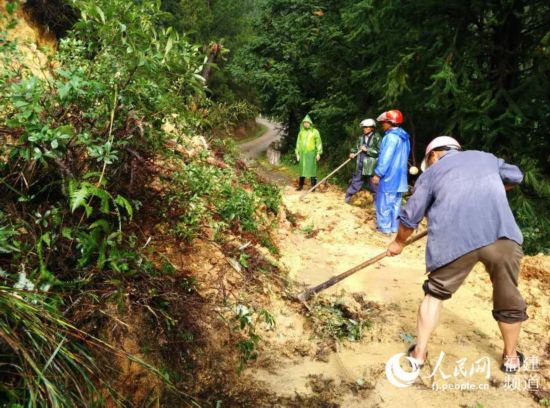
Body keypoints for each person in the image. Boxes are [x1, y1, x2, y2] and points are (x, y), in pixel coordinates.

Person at [386, 136, 528, 373]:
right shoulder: (486, 158)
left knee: (435, 293)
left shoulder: (431, 173)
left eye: (428, 160)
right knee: (508, 296)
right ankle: (511, 358)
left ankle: (419, 354)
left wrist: (398, 243)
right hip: (501, 235)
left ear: (434, 155)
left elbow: (411, 216)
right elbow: (516, 176)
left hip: (454, 239)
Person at [371, 109, 410, 234]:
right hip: (401, 176)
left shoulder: (390, 137)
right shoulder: (404, 137)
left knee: (384, 202)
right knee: (396, 203)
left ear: (390, 122)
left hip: (389, 176)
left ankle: (384, 228)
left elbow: (385, 158)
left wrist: (378, 173)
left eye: (384, 122)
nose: (382, 125)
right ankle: (394, 227)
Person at [344, 118, 382, 204]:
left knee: (374, 186)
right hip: (360, 164)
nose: (364, 129)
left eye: (366, 127)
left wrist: (367, 150)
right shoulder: (360, 138)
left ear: (372, 128)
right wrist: (352, 152)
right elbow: (355, 147)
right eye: (363, 127)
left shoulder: (377, 137)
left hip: (371, 166)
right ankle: (347, 199)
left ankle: (376, 205)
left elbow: (380, 152)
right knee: (355, 183)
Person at [295, 114, 322, 191]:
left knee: (312, 170)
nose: (306, 124)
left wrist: (318, 153)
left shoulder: (315, 132)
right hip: (303, 154)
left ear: (310, 123)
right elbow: (298, 143)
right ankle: (300, 186)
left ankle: (313, 187)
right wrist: (297, 153)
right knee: (302, 169)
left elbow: (319, 143)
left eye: (307, 122)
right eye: (304, 122)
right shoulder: (301, 132)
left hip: (311, 154)